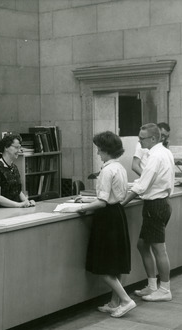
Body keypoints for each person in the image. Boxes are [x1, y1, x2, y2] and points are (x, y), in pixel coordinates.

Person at [61, 131, 136, 318]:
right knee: (114, 264)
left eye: (99, 150)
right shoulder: (119, 168)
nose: (97, 153)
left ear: (106, 150)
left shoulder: (106, 170)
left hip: (106, 218)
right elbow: (110, 196)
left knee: (104, 265)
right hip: (117, 214)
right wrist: (87, 200)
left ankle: (126, 300)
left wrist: (80, 208)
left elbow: (102, 202)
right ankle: (114, 302)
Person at [122, 123, 175, 302]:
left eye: (142, 138)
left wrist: (123, 203)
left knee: (159, 249)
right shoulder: (165, 152)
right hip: (161, 204)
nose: (139, 140)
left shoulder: (155, 156)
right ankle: (152, 286)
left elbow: (142, 185)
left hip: (155, 206)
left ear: (153, 138)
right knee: (142, 245)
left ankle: (165, 289)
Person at [0, 133, 35, 209]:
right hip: (0, 211)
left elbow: (17, 191)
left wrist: (26, 202)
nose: (19, 150)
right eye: (16, 147)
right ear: (6, 148)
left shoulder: (14, 167)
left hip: (14, 209)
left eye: (20, 147)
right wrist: (18, 205)